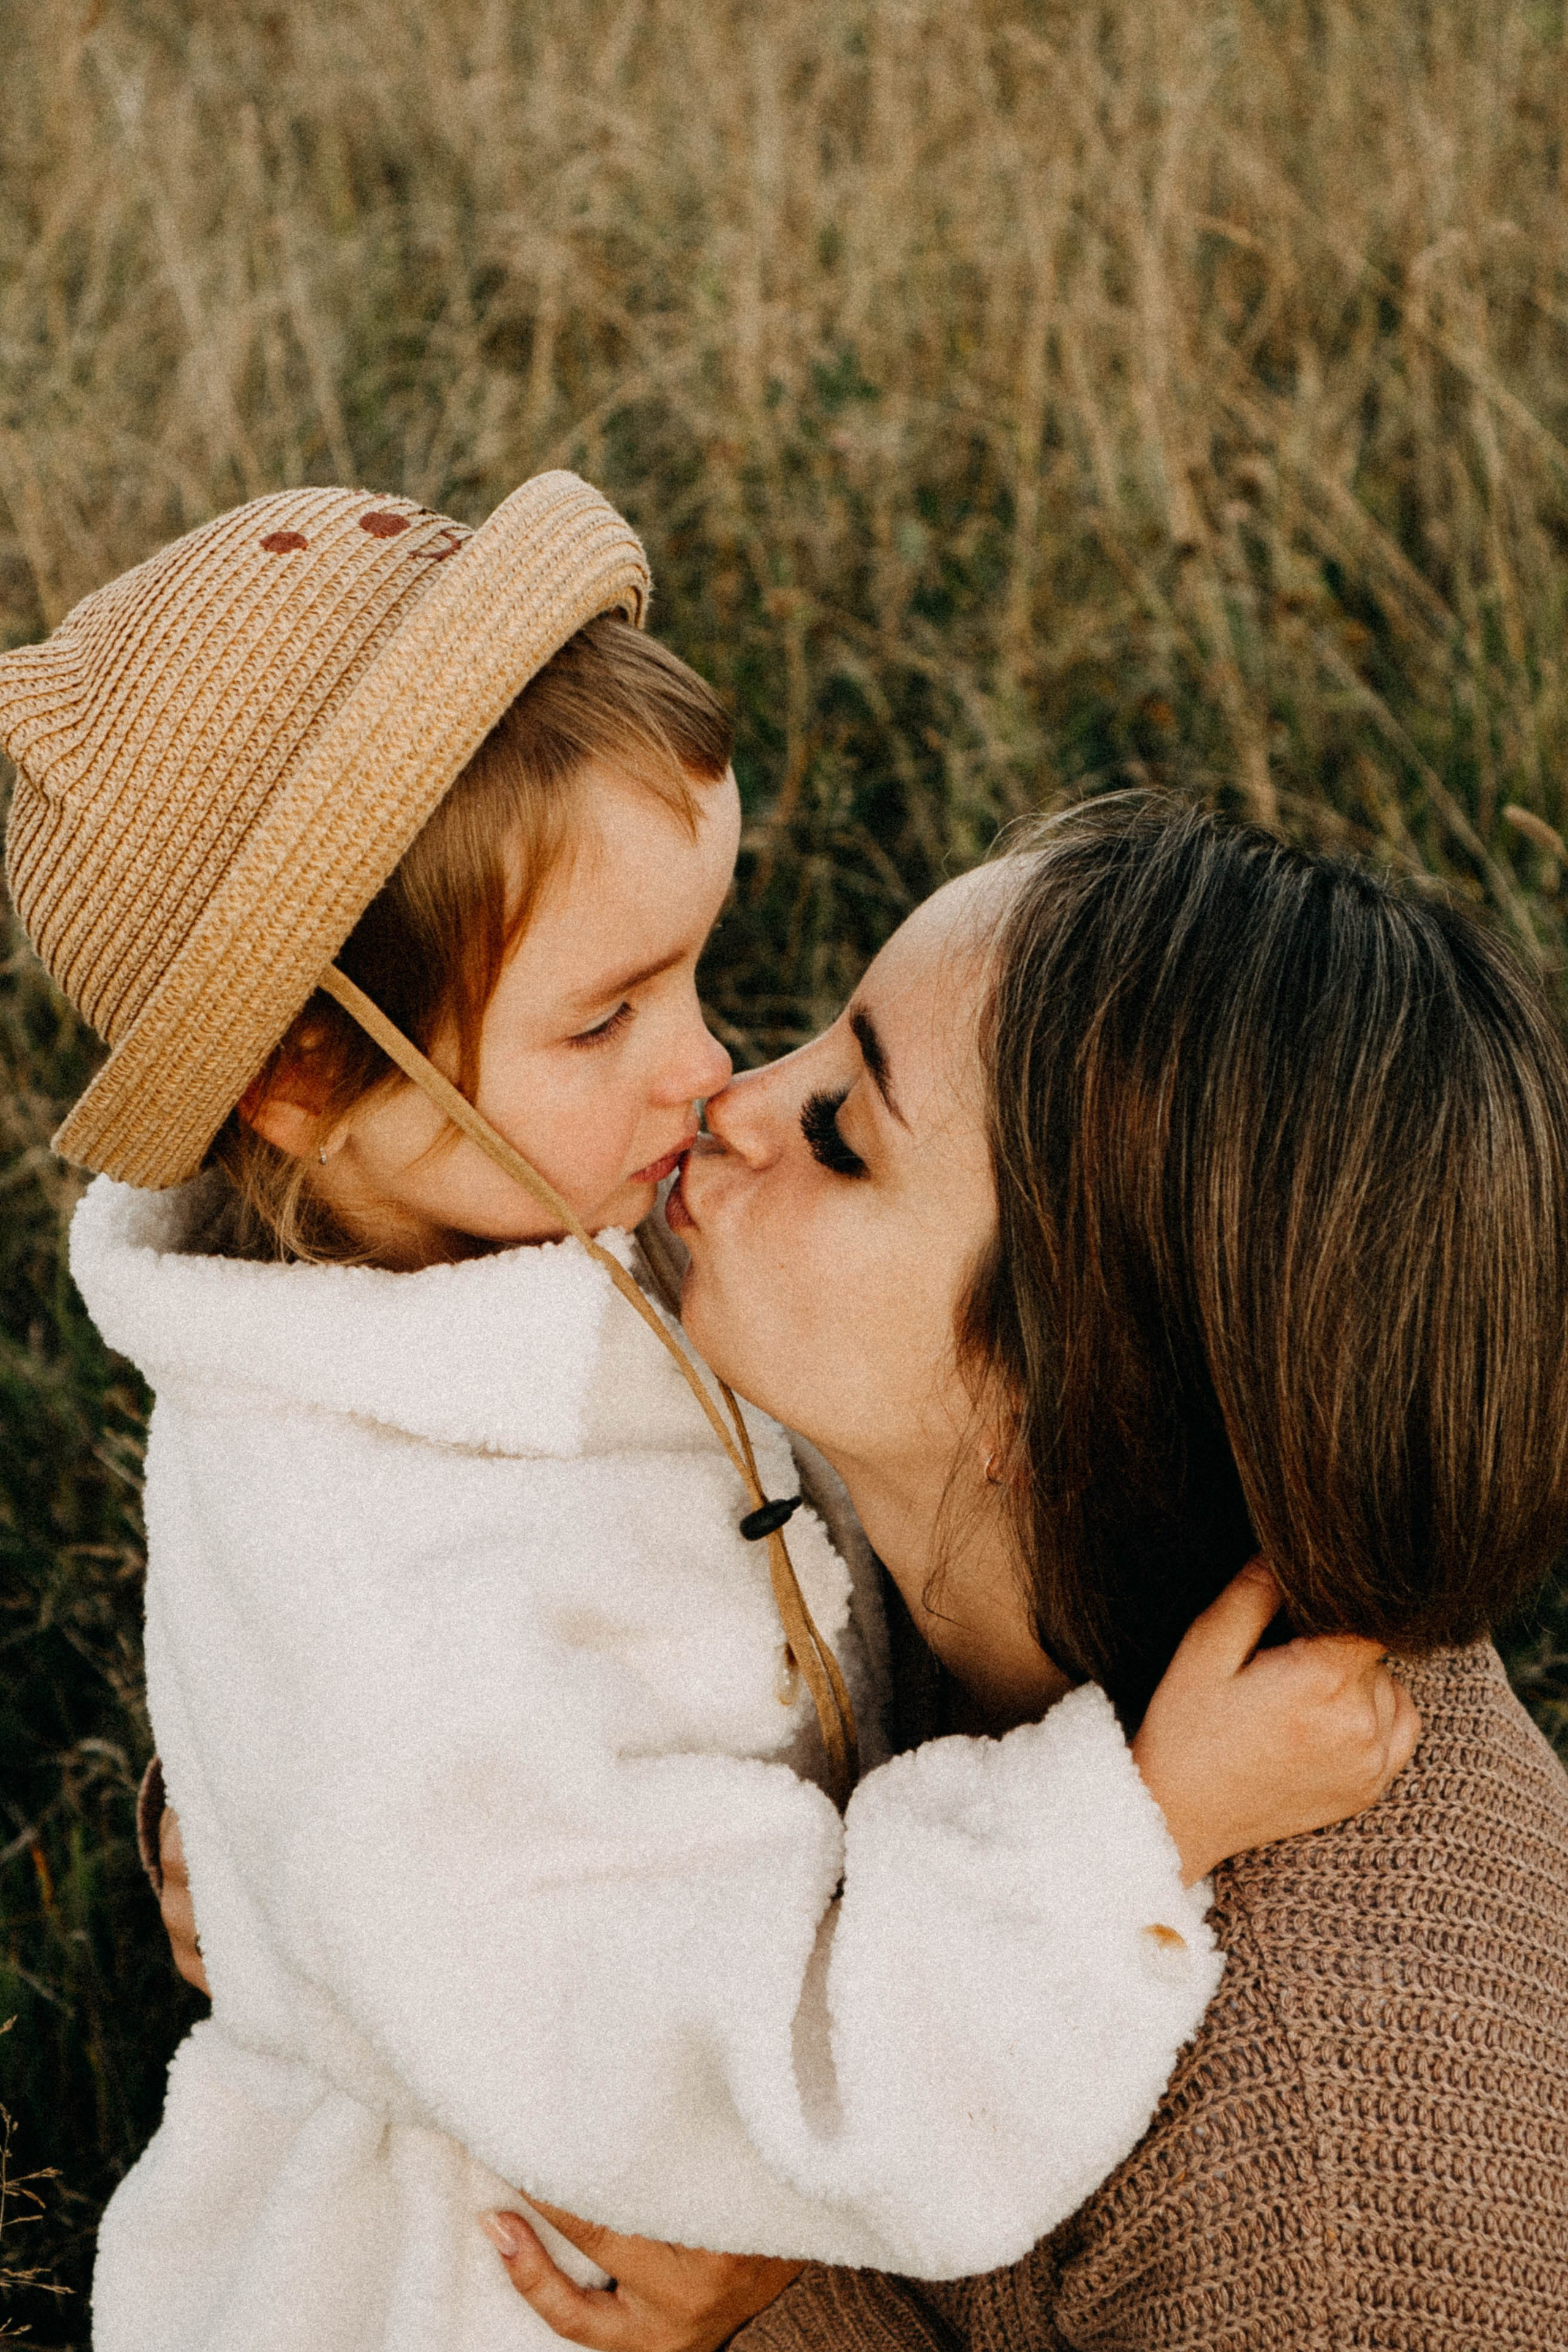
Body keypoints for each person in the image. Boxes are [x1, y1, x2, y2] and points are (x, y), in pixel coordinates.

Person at [0, 485, 1406, 2352]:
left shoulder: (491, 1233)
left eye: (696, 966)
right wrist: (1145, 1828)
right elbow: (777, 2096)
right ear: (313, 1073)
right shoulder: (395, 1591)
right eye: (604, 1018)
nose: (708, 1067)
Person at [456, 795, 1568, 2350]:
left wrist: (774, 2258)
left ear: (1045, 1400)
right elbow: (380, 1493)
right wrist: (273, 1822)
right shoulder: (873, 1467)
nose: (729, 1096)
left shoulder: (1312, 2168)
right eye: (825, 1038)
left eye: (843, 1132)